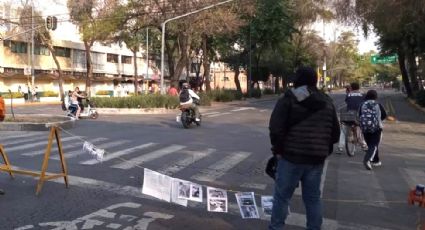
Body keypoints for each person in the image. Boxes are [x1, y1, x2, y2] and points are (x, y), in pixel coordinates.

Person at [268, 66, 340, 230]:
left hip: (290, 157)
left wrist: (278, 151)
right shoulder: (327, 101)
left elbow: (275, 128)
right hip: (316, 159)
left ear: (297, 80)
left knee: (282, 197)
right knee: (313, 198)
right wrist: (323, 149)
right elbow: (335, 134)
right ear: (315, 80)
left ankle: (276, 227)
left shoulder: (289, 98)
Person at [359, 90, 387, 170]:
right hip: (376, 127)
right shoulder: (378, 104)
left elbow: (359, 115)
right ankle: (368, 160)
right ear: (375, 96)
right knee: (374, 144)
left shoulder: (362, 104)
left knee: (370, 145)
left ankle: (376, 161)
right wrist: (378, 120)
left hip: (365, 127)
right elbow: (384, 115)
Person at [337, 82, 367, 153]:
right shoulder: (362, 94)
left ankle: (340, 146)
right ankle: (364, 144)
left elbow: (347, 102)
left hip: (349, 115)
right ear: (359, 87)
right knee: (361, 129)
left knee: (344, 129)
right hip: (359, 115)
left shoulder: (349, 94)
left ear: (351, 88)